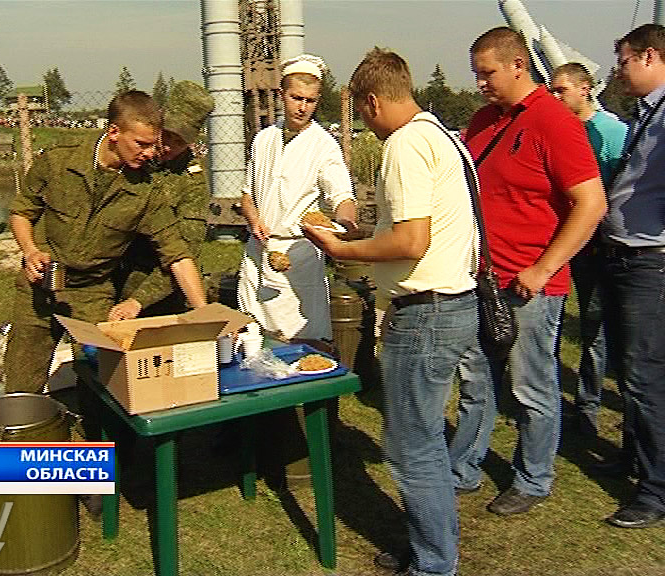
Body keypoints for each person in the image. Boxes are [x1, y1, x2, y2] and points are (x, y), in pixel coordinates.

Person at [305, 47, 478, 576]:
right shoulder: (440, 134)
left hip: (423, 312)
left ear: (373, 101)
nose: (361, 122)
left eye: (359, 112)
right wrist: (364, 236)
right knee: (422, 437)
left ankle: (434, 563)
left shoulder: (403, 145)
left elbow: (411, 240)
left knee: (413, 446)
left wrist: (339, 250)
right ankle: (431, 546)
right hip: (452, 302)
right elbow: (422, 229)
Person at [447, 27, 606, 516]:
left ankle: (533, 479)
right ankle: (464, 468)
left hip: (530, 285)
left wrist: (544, 267)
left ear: (518, 65)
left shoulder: (555, 122)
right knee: (476, 379)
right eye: (476, 74)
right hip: (482, 279)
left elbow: (591, 203)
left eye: (486, 73)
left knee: (530, 386)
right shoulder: (483, 121)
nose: (480, 83)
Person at [4, 90, 207, 393]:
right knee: (22, 382)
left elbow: (178, 255)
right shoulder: (59, 161)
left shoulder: (145, 192)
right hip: (39, 288)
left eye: (155, 145)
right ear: (114, 132)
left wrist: (204, 315)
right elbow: (22, 211)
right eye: (142, 144)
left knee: (107, 382)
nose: (151, 153)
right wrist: (30, 251)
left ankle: (98, 436)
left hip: (92, 292)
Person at [237, 53, 357, 343]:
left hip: (298, 256)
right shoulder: (263, 139)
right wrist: (254, 219)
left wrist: (344, 222)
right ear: (282, 95)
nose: (303, 107)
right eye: (296, 98)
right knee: (252, 335)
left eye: (310, 101)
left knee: (300, 338)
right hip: (258, 252)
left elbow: (342, 195)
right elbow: (246, 194)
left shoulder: (323, 145)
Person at [601, 24, 665, 529]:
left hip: (651, 261)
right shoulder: (649, 114)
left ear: (650, 55)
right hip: (629, 257)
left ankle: (657, 487)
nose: (619, 70)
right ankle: (640, 459)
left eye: (624, 61)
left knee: (645, 376)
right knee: (631, 370)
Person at [549, 63, 628, 438]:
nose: (555, 96)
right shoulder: (557, 129)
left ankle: (587, 407)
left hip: (597, 245)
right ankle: (547, 401)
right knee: (551, 321)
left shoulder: (612, 132)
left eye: (562, 90)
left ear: (584, 89)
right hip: (558, 242)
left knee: (594, 327)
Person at [112, 81, 215, 319]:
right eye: (166, 134)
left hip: (158, 287)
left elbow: (184, 252)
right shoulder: (129, 155)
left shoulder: (192, 182)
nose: (168, 146)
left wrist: (139, 300)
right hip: (107, 277)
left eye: (179, 141)